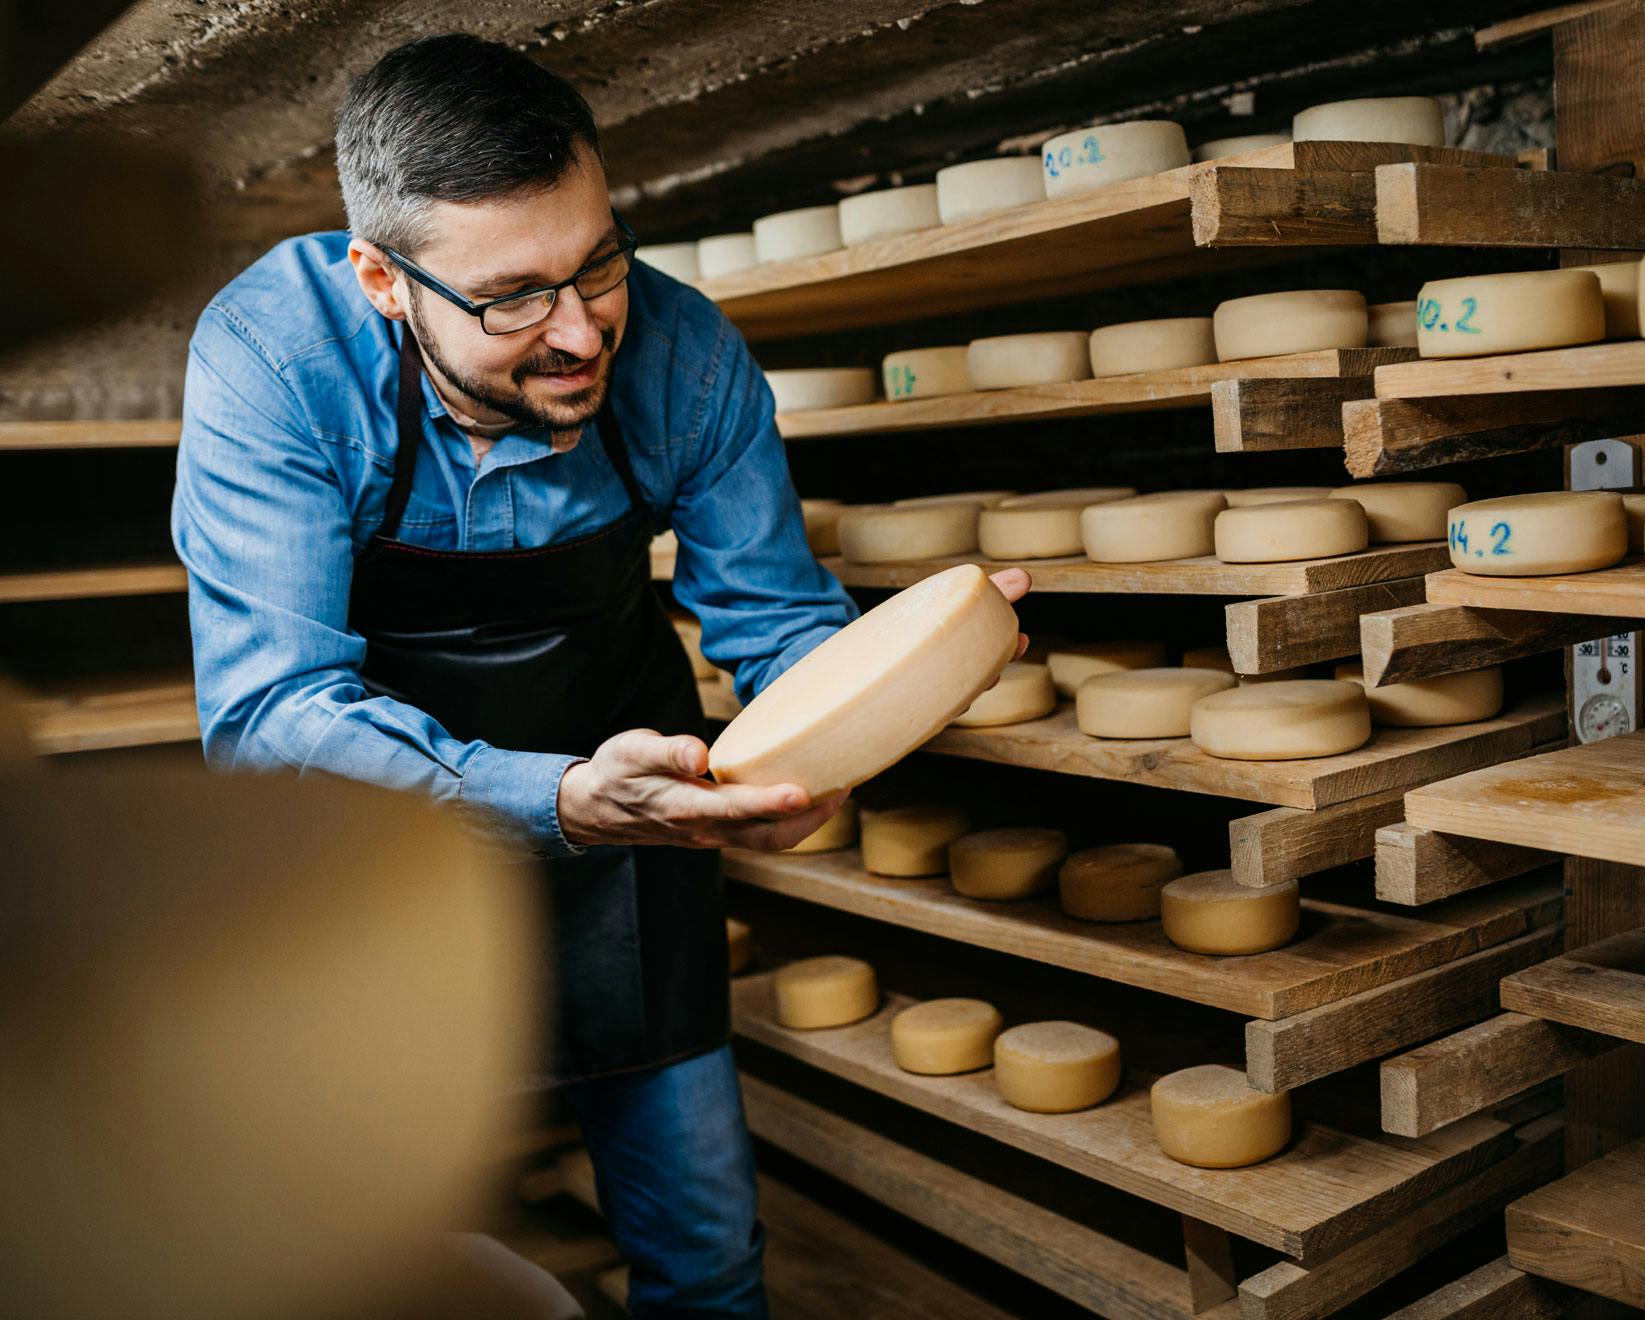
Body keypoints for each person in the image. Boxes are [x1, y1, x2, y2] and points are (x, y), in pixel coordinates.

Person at [171, 32, 1029, 1317]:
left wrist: (896, 675)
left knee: (705, 1247)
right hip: (360, 844)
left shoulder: (681, 353)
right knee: (363, 1249)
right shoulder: (276, 363)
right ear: (380, 279)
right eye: (513, 296)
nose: (581, 332)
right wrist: (557, 797)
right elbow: (269, 714)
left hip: (637, 811)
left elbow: (777, 623)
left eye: (599, 262)